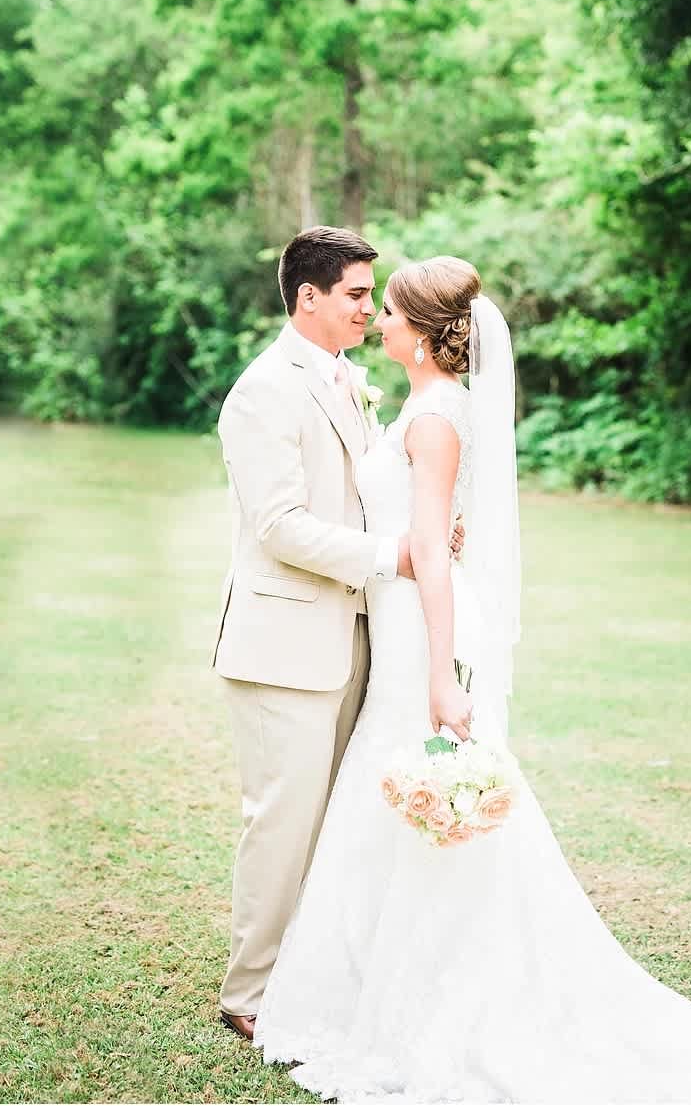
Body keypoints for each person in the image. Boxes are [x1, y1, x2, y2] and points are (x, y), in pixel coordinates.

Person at [254, 254, 691, 1104]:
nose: (381, 321)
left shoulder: (435, 418)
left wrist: (442, 673)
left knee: (426, 795)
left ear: (427, 335)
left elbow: (434, 560)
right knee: (397, 801)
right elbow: (425, 533)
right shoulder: (424, 404)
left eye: (394, 312)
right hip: (405, 618)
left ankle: (441, 1001)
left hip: (424, 629)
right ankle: (376, 983)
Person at [211, 227, 464, 1041]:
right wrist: (395, 554)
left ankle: (311, 975)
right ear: (308, 296)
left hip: (356, 636)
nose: (368, 307)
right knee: (282, 823)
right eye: (356, 293)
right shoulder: (263, 391)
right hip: (282, 643)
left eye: (370, 294)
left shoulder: (349, 381)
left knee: (330, 826)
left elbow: (364, 496)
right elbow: (280, 525)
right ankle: (250, 992)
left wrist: (427, 534)